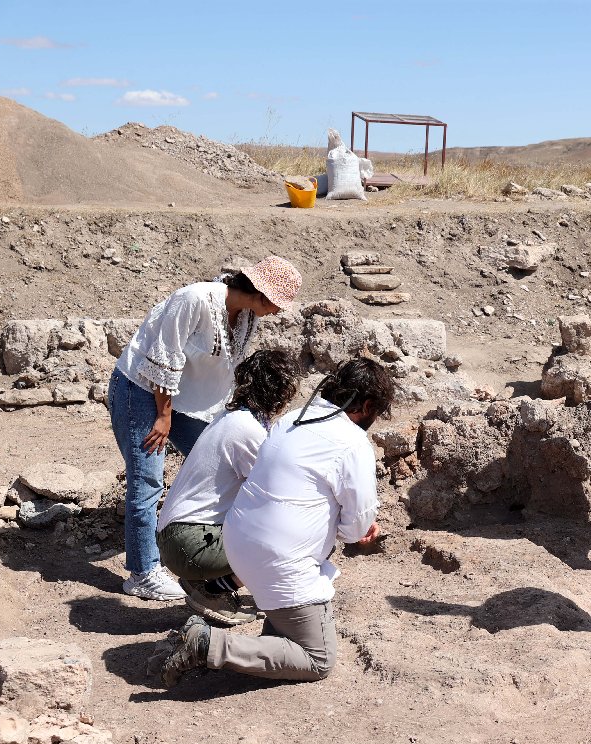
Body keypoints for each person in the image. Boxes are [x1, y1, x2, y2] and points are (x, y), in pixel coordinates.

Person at [157, 357, 394, 686]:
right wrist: (350, 527)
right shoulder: (353, 443)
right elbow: (356, 528)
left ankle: (258, 635)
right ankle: (208, 643)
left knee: (288, 633)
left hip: (236, 545)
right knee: (317, 658)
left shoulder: (291, 420)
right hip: (278, 558)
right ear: (366, 405)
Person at [109, 257, 302, 602]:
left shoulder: (245, 318)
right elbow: (164, 357)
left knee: (219, 462)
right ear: (261, 294)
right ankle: (142, 573)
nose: (278, 312)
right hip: (140, 390)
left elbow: (228, 370)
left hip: (186, 401)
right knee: (147, 478)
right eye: (277, 305)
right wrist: (163, 417)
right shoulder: (195, 299)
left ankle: (204, 543)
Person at [156, 349, 299, 626]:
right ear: (280, 392)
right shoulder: (248, 430)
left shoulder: (231, 418)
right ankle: (213, 592)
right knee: (284, 537)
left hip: (177, 538)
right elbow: (275, 494)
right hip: (189, 542)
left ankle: (206, 583)